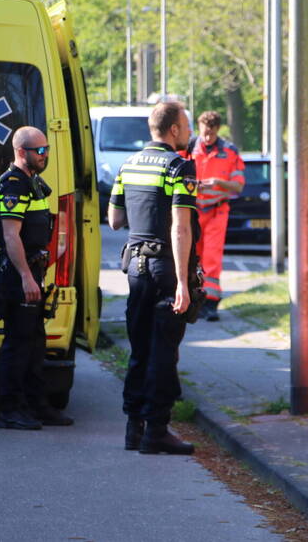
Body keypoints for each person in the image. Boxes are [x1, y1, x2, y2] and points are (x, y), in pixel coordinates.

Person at [109, 101, 199, 455]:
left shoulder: (128, 165)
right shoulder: (180, 166)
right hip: (164, 269)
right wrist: (183, 282)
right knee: (163, 352)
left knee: (139, 350)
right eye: (186, 125)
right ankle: (157, 431)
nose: (189, 132)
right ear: (173, 129)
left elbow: (115, 219)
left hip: (135, 268)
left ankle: (134, 428)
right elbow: (181, 227)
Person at [0, 126, 74, 430]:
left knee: (36, 343)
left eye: (46, 149)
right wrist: (26, 277)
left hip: (33, 271)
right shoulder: (13, 184)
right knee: (18, 344)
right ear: (20, 151)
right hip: (18, 273)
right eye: (39, 150)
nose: (45, 155)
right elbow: (11, 236)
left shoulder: (33, 182)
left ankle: (37, 405)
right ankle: (10, 410)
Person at [188, 111, 245, 322]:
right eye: (204, 133)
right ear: (199, 128)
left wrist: (219, 183)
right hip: (193, 211)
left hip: (217, 210)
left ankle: (210, 302)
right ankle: (192, 299)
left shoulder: (229, 152)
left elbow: (238, 186)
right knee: (192, 256)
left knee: (212, 256)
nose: (207, 137)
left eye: (211, 134)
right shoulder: (189, 148)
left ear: (218, 130)